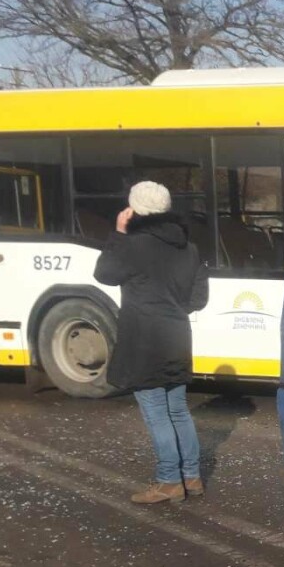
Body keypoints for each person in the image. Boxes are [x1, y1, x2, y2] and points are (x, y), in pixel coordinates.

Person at [94, 181, 209, 504]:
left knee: (157, 413)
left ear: (135, 210)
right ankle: (192, 476)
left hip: (144, 340)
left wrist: (117, 232)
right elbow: (198, 297)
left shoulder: (133, 245)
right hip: (177, 336)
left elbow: (104, 273)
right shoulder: (190, 248)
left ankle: (169, 481)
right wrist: (173, 311)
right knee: (178, 411)